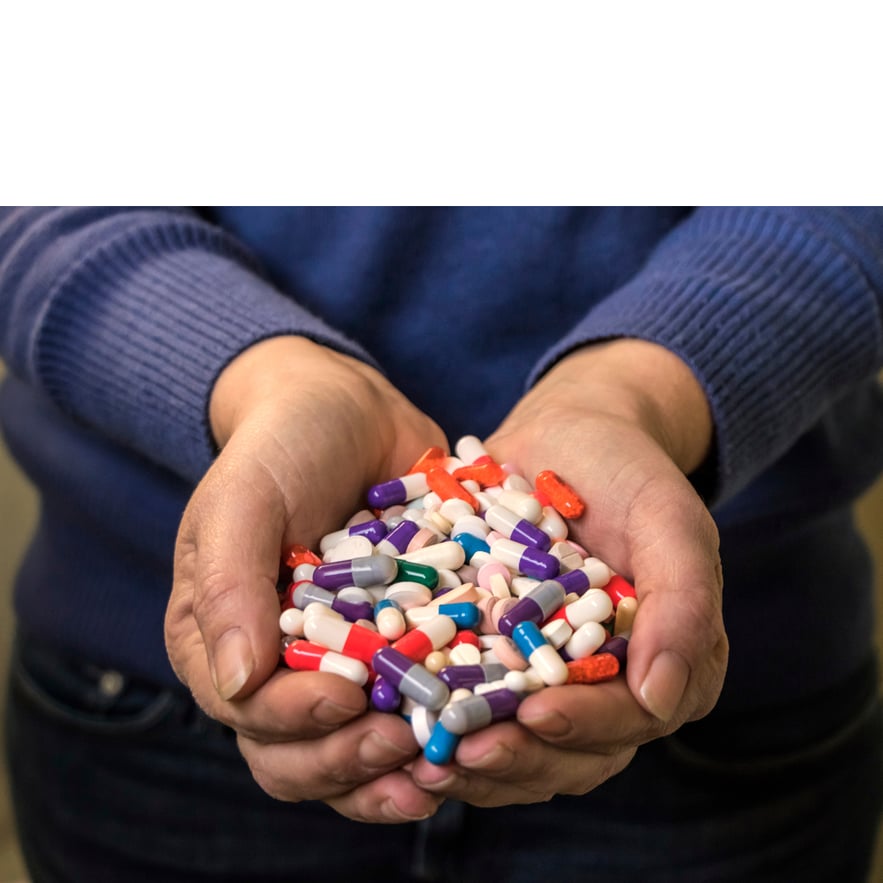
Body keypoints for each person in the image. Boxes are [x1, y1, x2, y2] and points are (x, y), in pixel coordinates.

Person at [0, 206, 880, 882]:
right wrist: (263, 379)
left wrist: (642, 391)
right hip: (146, 716)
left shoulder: (488, 579)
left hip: (731, 723)